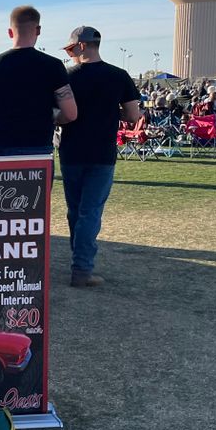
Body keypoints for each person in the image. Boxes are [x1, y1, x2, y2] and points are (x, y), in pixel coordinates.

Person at [59, 26, 141, 288]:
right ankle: (81, 268)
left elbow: (59, 113)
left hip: (71, 151)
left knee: (76, 211)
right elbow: (132, 115)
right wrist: (110, 114)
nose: (70, 54)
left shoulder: (67, 76)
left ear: (81, 46)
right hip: (102, 153)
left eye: (71, 49)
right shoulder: (119, 76)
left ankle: (79, 261)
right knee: (90, 212)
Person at [0, 5, 78, 156]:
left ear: (10, 32)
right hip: (39, 146)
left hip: (2, 147)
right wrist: (53, 116)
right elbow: (70, 113)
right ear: (38, 30)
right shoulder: (53, 66)